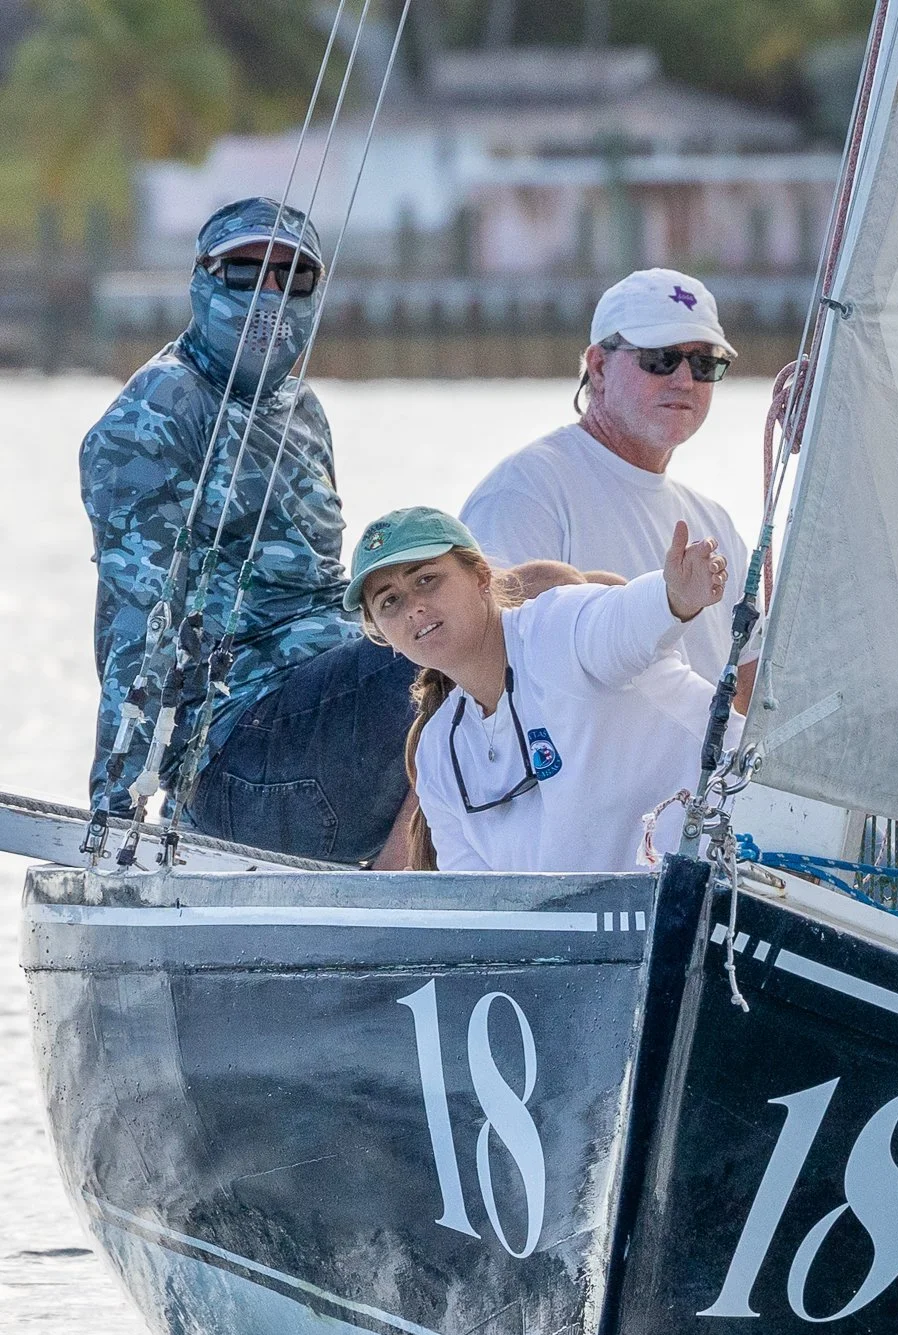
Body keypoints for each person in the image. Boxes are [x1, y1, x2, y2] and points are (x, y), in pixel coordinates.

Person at [81, 197, 416, 866]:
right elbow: (137, 626)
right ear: (203, 279)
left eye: (294, 278)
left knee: (536, 600)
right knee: (442, 650)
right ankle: (393, 889)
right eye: (245, 272)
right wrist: (115, 811)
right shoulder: (153, 418)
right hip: (237, 763)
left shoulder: (303, 409)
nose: (270, 294)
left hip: (328, 716)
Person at [344, 506, 739, 874]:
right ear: (383, 636)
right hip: (646, 933)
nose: (413, 607)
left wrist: (674, 597)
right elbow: (477, 904)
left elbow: (624, 621)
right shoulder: (437, 755)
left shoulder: (558, 626)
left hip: (756, 862)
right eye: (390, 601)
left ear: (481, 577)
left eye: (426, 580)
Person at [460, 267, 756, 703]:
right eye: (661, 358)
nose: (684, 380)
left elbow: (747, 692)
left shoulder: (715, 522)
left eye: (704, 363)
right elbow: (486, 671)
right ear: (597, 367)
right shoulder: (526, 492)